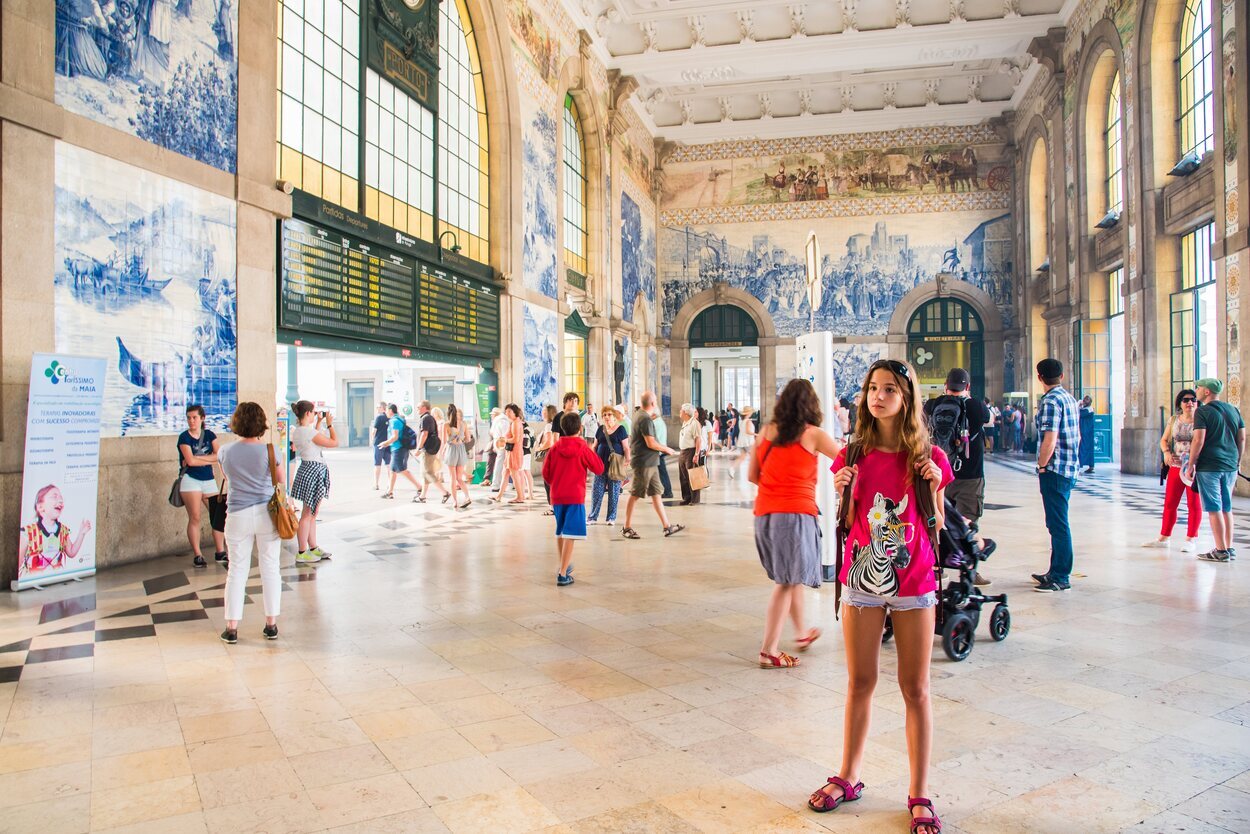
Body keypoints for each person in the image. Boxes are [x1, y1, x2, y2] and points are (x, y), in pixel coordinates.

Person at [810, 359, 951, 834]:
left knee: (915, 688)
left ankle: (919, 792)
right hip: (861, 581)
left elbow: (939, 524)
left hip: (914, 582)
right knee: (860, 681)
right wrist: (841, 490)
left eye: (889, 389)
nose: (879, 396)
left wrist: (932, 486)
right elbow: (849, 522)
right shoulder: (851, 455)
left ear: (906, 398)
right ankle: (849, 775)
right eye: (873, 388)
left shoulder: (927, 456)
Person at [751, 380, 843, 669]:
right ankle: (769, 651)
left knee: (791, 579)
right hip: (794, 515)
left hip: (765, 515)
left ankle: (801, 632)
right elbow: (846, 459)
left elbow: (753, 475)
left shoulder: (765, 432)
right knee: (786, 583)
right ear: (811, 405)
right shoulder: (812, 434)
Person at [217, 402, 283, 644]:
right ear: (261, 423)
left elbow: (228, 478)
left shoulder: (224, 451)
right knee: (270, 568)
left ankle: (232, 627)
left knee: (236, 570)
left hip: (237, 515)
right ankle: (271, 625)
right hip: (267, 513)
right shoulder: (271, 449)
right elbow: (281, 479)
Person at [923, 368, 992, 585]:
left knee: (936, 521)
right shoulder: (976, 406)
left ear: (946, 385)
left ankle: (935, 567)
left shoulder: (932, 405)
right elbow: (988, 420)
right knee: (968, 522)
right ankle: (969, 571)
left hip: (939, 473)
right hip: (970, 475)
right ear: (967, 387)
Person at [1031, 358, 1081, 592]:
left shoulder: (1050, 401)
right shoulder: (1069, 398)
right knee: (1057, 521)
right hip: (1069, 466)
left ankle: (1061, 576)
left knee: (1058, 523)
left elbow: (1049, 439)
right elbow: (1076, 435)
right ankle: (1055, 570)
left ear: (1039, 377)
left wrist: (1042, 465)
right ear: (1061, 376)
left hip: (1055, 469)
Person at [1185, 378, 1246, 563]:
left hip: (1210, 466)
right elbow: (1242, 439)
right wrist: (1237, 461)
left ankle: (1220, 551)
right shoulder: (1233, 410)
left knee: (1214, 508)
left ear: (1207, 392)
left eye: (1199, 387)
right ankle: (1228, 547)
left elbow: (1198, 440)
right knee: (1227, 508)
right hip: (1230, 465)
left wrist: (1190, 465)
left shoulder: (1202, 412)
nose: (1196, 389)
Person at [542, 412, 605, 586]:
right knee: (570, 534)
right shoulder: (583, 447)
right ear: (580, 428)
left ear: (562, 428)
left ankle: (564, 563)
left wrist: (556, 484)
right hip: (575, 495)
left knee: (561, 531)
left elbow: (545, 473)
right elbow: (599, 468)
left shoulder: (554, 448)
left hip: (557, 495)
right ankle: (563, 574)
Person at [1144, 389, 1202, 551]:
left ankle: (1191, 539)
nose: (1190, 403)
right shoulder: (1174, 420)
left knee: (1194, 503)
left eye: (1193, 399)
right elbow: (1163, 440)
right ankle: (1164, 537)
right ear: (1180, 403)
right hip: (1176, 466)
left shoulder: (1201, 420)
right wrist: (1166, 453)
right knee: (1170, 503)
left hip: (1195, 468)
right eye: (1186, 400)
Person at [622, 392, 683, 539]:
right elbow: (650, 442)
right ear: (653, 404)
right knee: (635, 494)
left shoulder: (639, 415)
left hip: (651, 462)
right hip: (644, 463)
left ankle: (667, 526)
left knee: (656, 494)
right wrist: (666, 449)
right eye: (655, 400)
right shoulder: (644, 418)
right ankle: (626, 527)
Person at [177, 404, 226, 568]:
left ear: (202, 418)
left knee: (217, 516)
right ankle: (198, 554)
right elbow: (189, 461)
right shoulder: (184, 437)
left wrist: (200, 459)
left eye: (194, 417)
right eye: (189, 418)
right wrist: (207, 457)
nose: (191, 421)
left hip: (208, 479)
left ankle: (220, 551)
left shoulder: (210, 435)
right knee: (195, 517)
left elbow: (219, 455)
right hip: (191, 479)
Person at [289, 400, 337, 565]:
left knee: (312, 513)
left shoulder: (300, 431)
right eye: (314, 412)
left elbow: (312, 441)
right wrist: (330, 426)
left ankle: (313, 547)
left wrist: (318, 423)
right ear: (308, 413)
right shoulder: (306, 432)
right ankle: (302, 551)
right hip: (313, 471)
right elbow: (334, 442)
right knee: (307, 513)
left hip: (308, 469)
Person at [19, 485, 92, 576]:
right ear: (40, 507)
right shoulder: (28, 532)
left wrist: (82, 533)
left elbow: (71, 552)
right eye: (54, 497)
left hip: (56, 580)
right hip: (32, 581)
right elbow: (18, 561)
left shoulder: (63, 531)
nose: (60, 500)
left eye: (61, 498)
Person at [589, 406, 629, 525]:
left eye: (609, 414)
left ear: (614, 416)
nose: (607, 417)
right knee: (597, 491)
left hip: (615, 465)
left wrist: (627, 460)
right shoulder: (600, 429)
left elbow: (626, 447)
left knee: (614, 492)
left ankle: (611, 518)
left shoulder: (621, 429)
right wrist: (592, 459)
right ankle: (592, 517)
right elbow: (594, 446)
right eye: (604, 415)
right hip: (600, 465)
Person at [379, 404, 422, 500]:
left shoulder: (394, 421)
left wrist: (385, 443)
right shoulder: (399, 419)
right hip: (398, 448)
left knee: (401, 470)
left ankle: (419, 487)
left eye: (386, 410)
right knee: (393, 470)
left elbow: (395, 436)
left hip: (398, 448)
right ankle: (389, 492)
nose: (385, 412)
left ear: (390, 410)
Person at [416, 401, 450, 504]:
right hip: (431, 448)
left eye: (418, 407)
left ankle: (445, 493)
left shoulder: (425, 418)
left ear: (424, 407)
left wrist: (418, 448)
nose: (417, 409)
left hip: (427, 449)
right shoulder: (429, 417)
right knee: (424, 473)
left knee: (427, 472)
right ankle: (422, 496)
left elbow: (424, 434)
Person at [493, 404, 527, 504]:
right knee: (505, 473)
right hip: (511, 452)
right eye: (506, 411)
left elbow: (516, 439)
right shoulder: (515, 422)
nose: (507, 413)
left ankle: (520, 497)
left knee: (514, 474)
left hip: (514, 452)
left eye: (509, 411)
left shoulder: (516, 423)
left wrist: (505, 439)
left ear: (514, 412)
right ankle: (499, 496)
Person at [444, 403, 473, 510]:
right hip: (461, 450)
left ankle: (455, 502)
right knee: (460, 478)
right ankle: (467, 497)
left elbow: (444, 441)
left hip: (451, 449)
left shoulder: (446, 424)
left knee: (452, 478)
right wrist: (461, 438)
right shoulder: (464, 424)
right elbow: (468, 439)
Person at [677, 404, 704, 505]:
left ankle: (695, 499)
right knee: (683, 477)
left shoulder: (694, 423)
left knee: (693, 476)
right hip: (683, 451)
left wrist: (696, 454)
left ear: (686, 412)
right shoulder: (685, 422)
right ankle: (686, 497)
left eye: (681, 410)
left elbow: (698, 439)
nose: (680, 412)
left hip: (691, 451)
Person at [730, 406, 757, 479]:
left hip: (741, 442)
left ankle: (732, 469)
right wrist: (756, 434)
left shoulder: (741, 421)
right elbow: (748, 431)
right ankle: (756, 473)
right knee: (755, 458)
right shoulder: (748, 421)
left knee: (742, 457)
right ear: (748, 413)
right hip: (748, 442)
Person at [654, 406, 675, 499]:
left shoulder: (655, 423)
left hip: (657, 451)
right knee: (662, 472)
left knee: (662, 472)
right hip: (660, 450)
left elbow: (653, 439)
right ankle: (667, 491)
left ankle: (668, 491)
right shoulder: (660, 421)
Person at [372, 401, 391, 490]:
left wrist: (373, 440)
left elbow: (374, 431)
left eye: (378, 407)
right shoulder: (389, 418)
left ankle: (376, 484)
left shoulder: (379, 417)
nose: (377, 409)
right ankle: (390, 483)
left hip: (378, 443)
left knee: (377, 464)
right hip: (388, 443)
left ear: (383, 408)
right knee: (388, 464)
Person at [487, 406, 509, 487]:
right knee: (501, 463)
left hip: (498, 443)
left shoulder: (496, 422)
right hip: (502, 444)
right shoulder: (503, 421)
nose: (491, 416)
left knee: (499, 463)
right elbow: (505, 435)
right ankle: (497, 484)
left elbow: (491, 433)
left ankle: (498, 483)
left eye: (492, 414)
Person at [1078, 395, 1096, 474]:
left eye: (1086, 400)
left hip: (1086, 432)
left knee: (1084, 448)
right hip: (1084, 431)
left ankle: (1083, 465)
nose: (1084, 402)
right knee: (1083, 448)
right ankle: (1088, 465)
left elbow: (1079, 414)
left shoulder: (1088, 410)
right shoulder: (1085, 409)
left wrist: (1078, 405)